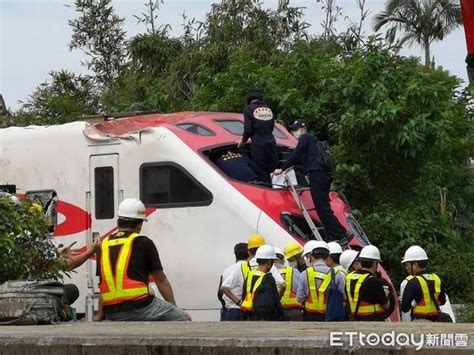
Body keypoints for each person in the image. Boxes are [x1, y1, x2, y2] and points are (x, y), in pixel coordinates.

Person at [95, 198, 190, 321]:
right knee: (181, 319)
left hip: (112, 312)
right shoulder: (143, 242)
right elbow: (160, 279)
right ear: (139, 224)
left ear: (118, 222)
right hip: (141, 306)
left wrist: (99, 315)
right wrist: (175, 309)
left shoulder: (103, 245)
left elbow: (103, 282)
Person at [274, 120, 351, 245]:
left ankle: (340, 234)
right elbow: (303, 164)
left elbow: (296, 155)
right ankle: (336, 233)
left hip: (317, 176)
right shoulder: (313, 143)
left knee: (321, 207)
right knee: (324, 207)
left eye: (296, 129)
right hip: (324, 176)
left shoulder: (305, 138)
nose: (294, 132)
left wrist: (282, 168)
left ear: (303, 128)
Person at [221, 235, 285, 309]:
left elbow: (224, 287)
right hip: (264, 308)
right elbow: (282, 285)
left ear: (249, 252)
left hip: (248, 309)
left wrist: (239, 303)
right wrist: (276, 301)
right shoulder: (268, 265)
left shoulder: (243, 267)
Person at [296, 241, 345, 321]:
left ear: (312, 257)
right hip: (330, 316)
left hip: (309, 317)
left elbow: (300, 298)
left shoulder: (304, 274)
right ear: (328, 257)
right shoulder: (336, 274)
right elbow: (343, 296)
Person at [400, 245, 447, 322]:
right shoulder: (437, 278)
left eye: (408, 264)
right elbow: (443, 301)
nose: (406, 267)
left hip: (419, 322)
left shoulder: (413, 282)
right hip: (436, 321)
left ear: (415, 264)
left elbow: (405, 308)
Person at [238, 90, 277, 183]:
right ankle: (276, 188)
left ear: (249, 100)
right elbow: (272, 125)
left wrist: (242, 142)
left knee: (260, 170)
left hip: (258, 143)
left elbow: (248, 130)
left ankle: (266, 190)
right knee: (272, 169)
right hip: (271, 141)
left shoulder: (249, 109)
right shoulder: (268, 109)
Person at [345, 245, 390, 321]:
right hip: (372, 323)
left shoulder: (349, 278)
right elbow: (386, 306)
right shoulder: (373, 281)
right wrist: (386, 295)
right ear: (375, 263)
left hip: (354, 321)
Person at [241, 245, 285, 321]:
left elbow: (244, 296)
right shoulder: (268, 279)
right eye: (272, 262)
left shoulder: (249, 276)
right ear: (268, 262)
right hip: (263, 319)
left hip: (250, 317)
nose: (272, 265)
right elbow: (274, 303)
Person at [217, 243, 249, 321]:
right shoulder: (249, 269)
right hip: (243, 310)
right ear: (249, 253)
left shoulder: (226, 270)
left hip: (228, 311)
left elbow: (220, 293)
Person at [280, 242, 304, 320]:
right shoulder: (290, 271)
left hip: (301, 309)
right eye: (289, 260)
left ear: (299, 257)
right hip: (289, 309)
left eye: (291, 260)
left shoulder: (308, 271)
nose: (290, 262)